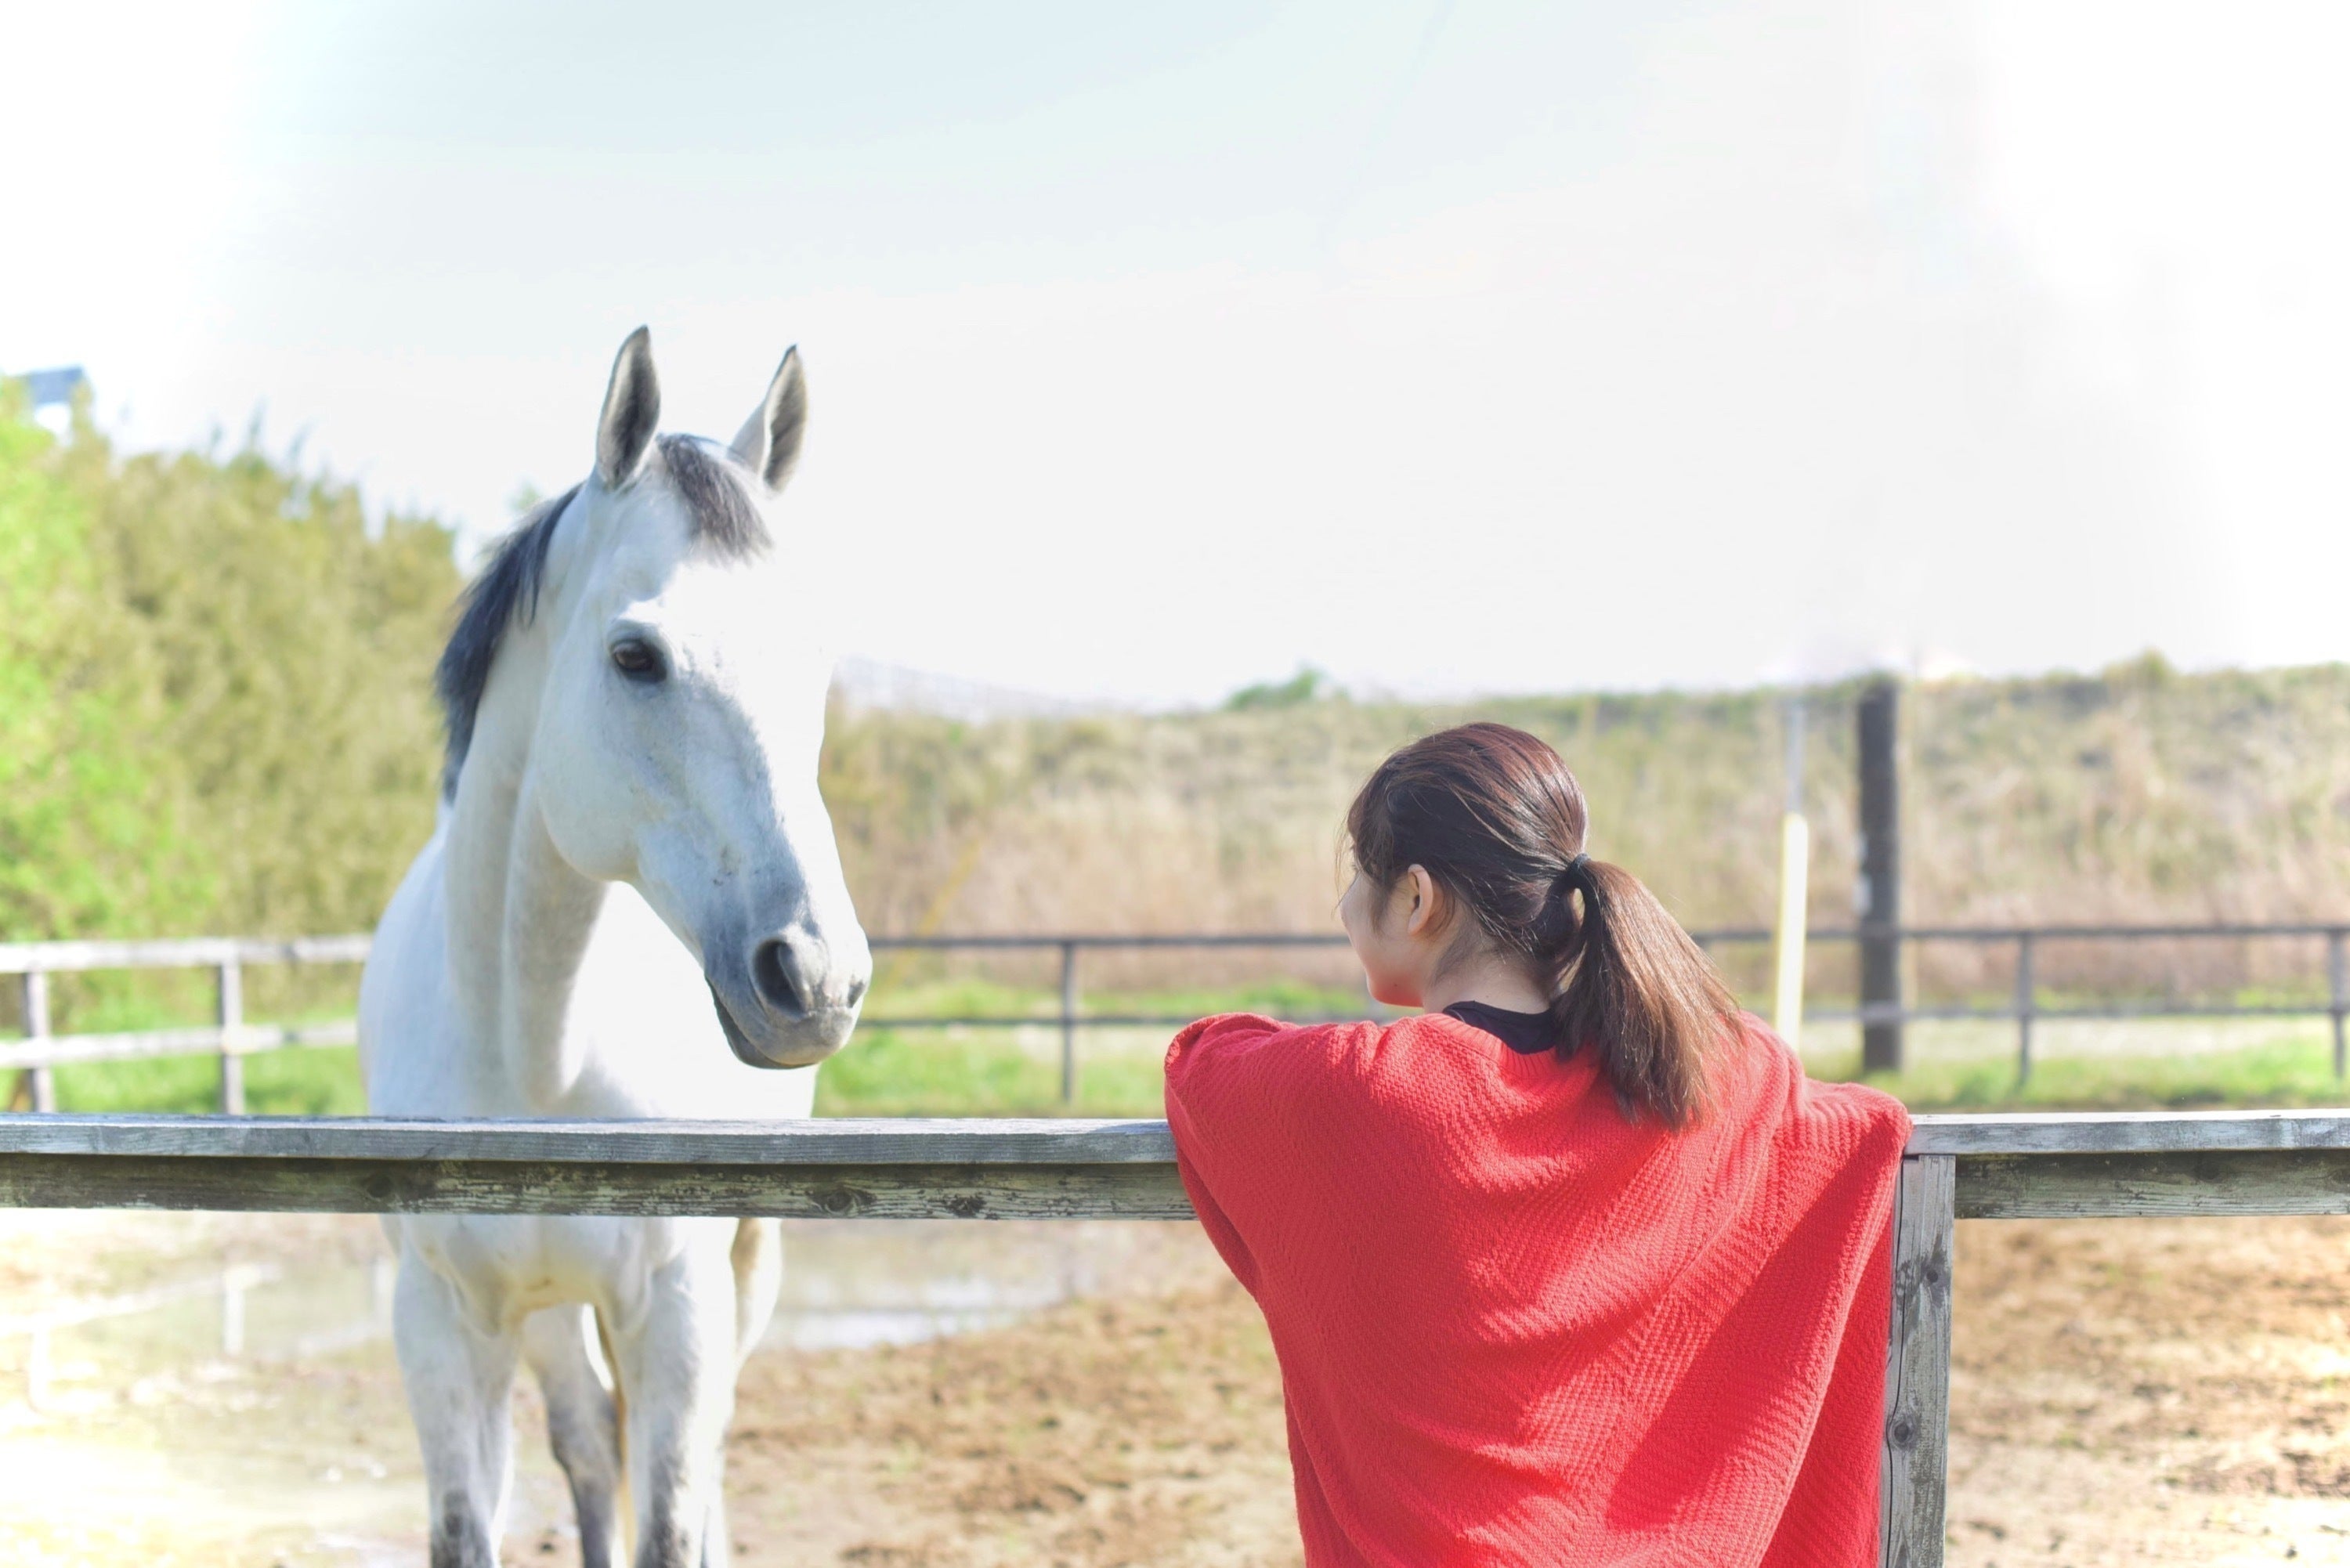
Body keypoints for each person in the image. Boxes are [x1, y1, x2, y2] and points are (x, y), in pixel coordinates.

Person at [1164, 722, 1910, 1567]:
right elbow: (1856, 1120)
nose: (1342, 909)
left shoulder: (1365, 1086)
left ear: (1415, 897)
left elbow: (1203, 1059)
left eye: (1356, 878)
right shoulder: (1722, 1077)